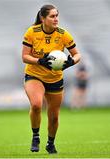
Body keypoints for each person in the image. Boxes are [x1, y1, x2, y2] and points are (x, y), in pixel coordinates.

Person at [21, 4, 81, 154]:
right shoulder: (32, 32)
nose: (56, 19)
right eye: (52, 16)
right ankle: (35, 136)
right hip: (34, 75)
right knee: (36, 105)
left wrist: (71, 62)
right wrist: (39, 61)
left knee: (53, 117)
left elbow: (77, 54)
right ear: (43, 18)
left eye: (57, 16)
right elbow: (25, 57)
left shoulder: (63, 34)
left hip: (55, 79)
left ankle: (50, 143)